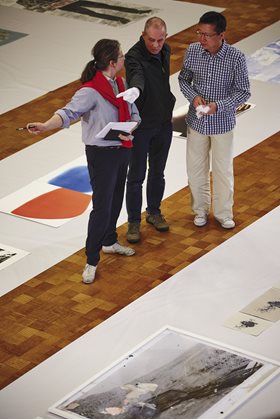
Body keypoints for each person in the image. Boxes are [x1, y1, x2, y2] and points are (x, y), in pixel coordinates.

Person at [26, 39, 141, 284]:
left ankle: (109, 241)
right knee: (101, 207)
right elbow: (68, 113)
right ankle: (91, 259)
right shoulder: (90, 91)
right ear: (112, 62)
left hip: (122, 149)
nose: (124, 60)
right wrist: (46, 125)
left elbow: (133, 112)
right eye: (121, 57)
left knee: (115, 200)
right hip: (101, 156)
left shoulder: (121, 83)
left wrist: (132, 126)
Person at [178, 11, 250, 229]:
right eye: (200, 33)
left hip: (222, 123)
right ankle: (199, 210)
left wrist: (218, 106)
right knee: (196, 169)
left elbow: (243, 92)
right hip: (196, 122)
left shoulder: (236, 57)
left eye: (207, 35)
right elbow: (183, 80)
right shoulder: (192, 51)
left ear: (221, 35)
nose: (202, 39)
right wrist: (193, 97)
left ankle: (223, 213)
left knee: (222, 170)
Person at [118, 17, 176, 243]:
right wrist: (135, 90)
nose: (155, 45)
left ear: (166, 38)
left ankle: (154, 212)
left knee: (158, 172)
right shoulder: (133, 56)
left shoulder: (166, 50)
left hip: (163, 123)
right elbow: (137, 77)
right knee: (136, 177)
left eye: (160, 40)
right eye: (151, 40)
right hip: (141, 127)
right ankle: (133, 222)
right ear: (143, 36)